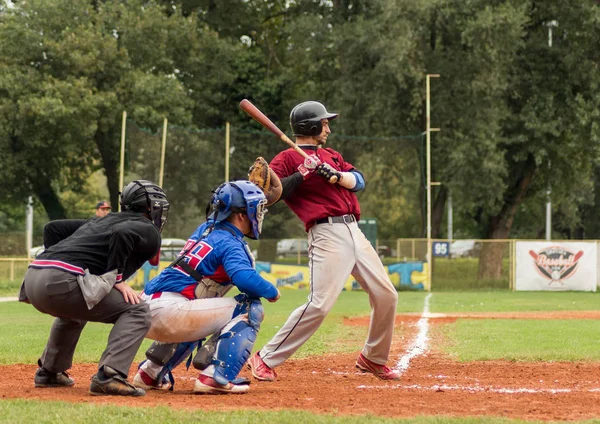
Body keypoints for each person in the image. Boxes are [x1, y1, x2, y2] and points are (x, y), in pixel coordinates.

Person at [247, 101, 400, 381]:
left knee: (386, 294)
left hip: (355, 230)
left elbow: (360, 180)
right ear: (310, 126)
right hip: (326, 233)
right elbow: (271, 195)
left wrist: (337, 176)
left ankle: (373, 357)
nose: (328, 127)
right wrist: (301, 174)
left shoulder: (331, 155)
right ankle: (265, 357)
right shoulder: (286, 159)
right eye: (324, 123)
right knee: (319, 304)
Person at [19, 180, 170, 396]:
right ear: (151, 207)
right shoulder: (148, 229)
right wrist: (116, 278)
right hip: (60, 281)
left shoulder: (100, 221)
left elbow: (52, 228)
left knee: (74, 312)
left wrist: (51, 266)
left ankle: (50, 372)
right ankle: (110, 376)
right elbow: (122, 234)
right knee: (137, 310)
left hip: (33, 277)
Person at [132, 180, 280, 395]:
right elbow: (244, 279)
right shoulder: (230, 241)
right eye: (256, 209)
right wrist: (272, 290)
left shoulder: (205, 229)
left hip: (145, 308)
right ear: (241, 214)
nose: (258, 215)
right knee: (250, 308)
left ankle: (150, 373)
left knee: (198, 309)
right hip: (169, 312)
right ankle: (215, 378)